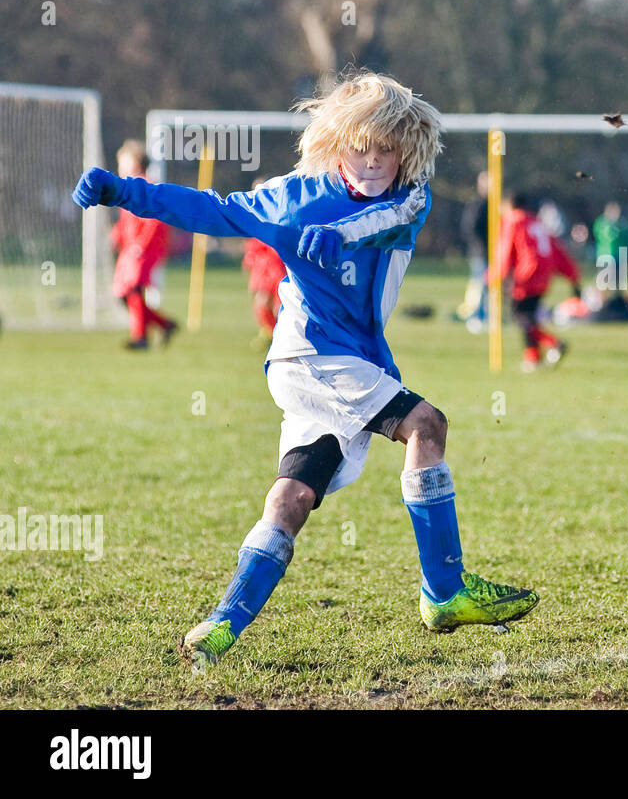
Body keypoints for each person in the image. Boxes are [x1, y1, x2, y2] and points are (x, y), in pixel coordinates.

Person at [73, 72, 539, 670]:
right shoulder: (291, 197)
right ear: (338, 143)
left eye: (386, 149)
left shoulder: (413, 196)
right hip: (310, 355)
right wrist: (124, 191)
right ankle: (446, 592)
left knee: (291, 497)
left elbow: (376, 223)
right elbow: (210, 210)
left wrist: (335, 235)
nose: (373, 162)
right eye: (360, 147)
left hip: (346, 363)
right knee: (426, 425)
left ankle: (221, 625)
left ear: (407, 149)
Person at [490, 190, 581, 372]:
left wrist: (497, 276)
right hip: (544, 275)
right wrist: (573, 278)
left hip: (527, 274)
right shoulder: (538, 223)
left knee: (520, 317)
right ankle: (533, 359)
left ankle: (554, 343)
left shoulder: (513, 220)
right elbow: (558, 252)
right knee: (528, 316)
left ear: (510, 205)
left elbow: (505, 250)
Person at [108, 140, 177, 350]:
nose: (120, 165)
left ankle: (141, 338)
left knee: (134, 289)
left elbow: (153, 220)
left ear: (136, 162)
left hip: (144, 249)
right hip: (130, 249)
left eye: (124, 161)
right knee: (122, 294)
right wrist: (116, 235)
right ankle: (165, 324)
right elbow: (127, 220)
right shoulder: (128, 186)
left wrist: (141, 244)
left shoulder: (145, 186)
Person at [241, 177, 287, 346]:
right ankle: (272, 334)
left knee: (280, 307)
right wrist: (250, 258)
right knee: (261, 304)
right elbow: (254, 243)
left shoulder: (280, 212)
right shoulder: (255, 213)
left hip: (280, 268)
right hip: (265, 268)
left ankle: (279, 337)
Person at [456, 170, 490, 332]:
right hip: (481, 253)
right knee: (480, 285)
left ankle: (489, 316)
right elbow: (470, 228)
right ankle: (476, 316)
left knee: (491, 287)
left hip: (495, 253)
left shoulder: (496, 203)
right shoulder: (478, 204)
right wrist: (482, 247)